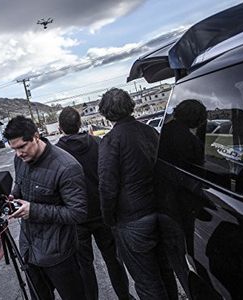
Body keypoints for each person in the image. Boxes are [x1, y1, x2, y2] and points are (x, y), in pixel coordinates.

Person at [3, 115, 88, 300]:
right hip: (29, 251)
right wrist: (12, 198)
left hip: (59, 255)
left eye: (21, 147)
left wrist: (33, 210)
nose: (18, 153)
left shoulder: (67, 167)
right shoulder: (20, 160)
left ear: (35, 136)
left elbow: (78, 213)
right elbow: (20, 185)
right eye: (13, 148)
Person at [98, 88, 169, 300]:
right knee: (166, 272)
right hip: (160, 211)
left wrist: (109, 219)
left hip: (133, 220)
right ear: (131, 106)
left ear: (105, 113)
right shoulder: (150, 132)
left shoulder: (111, 141)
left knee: (147, 282)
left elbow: (107, 186)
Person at [56, 107, 130, 300]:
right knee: (114, 259)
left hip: (76, 217)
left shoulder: (56, 153)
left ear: (60, 127)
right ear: (80, 123)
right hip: (103, 212)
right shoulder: (97, 143)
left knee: (84, 265)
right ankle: (125, 296)